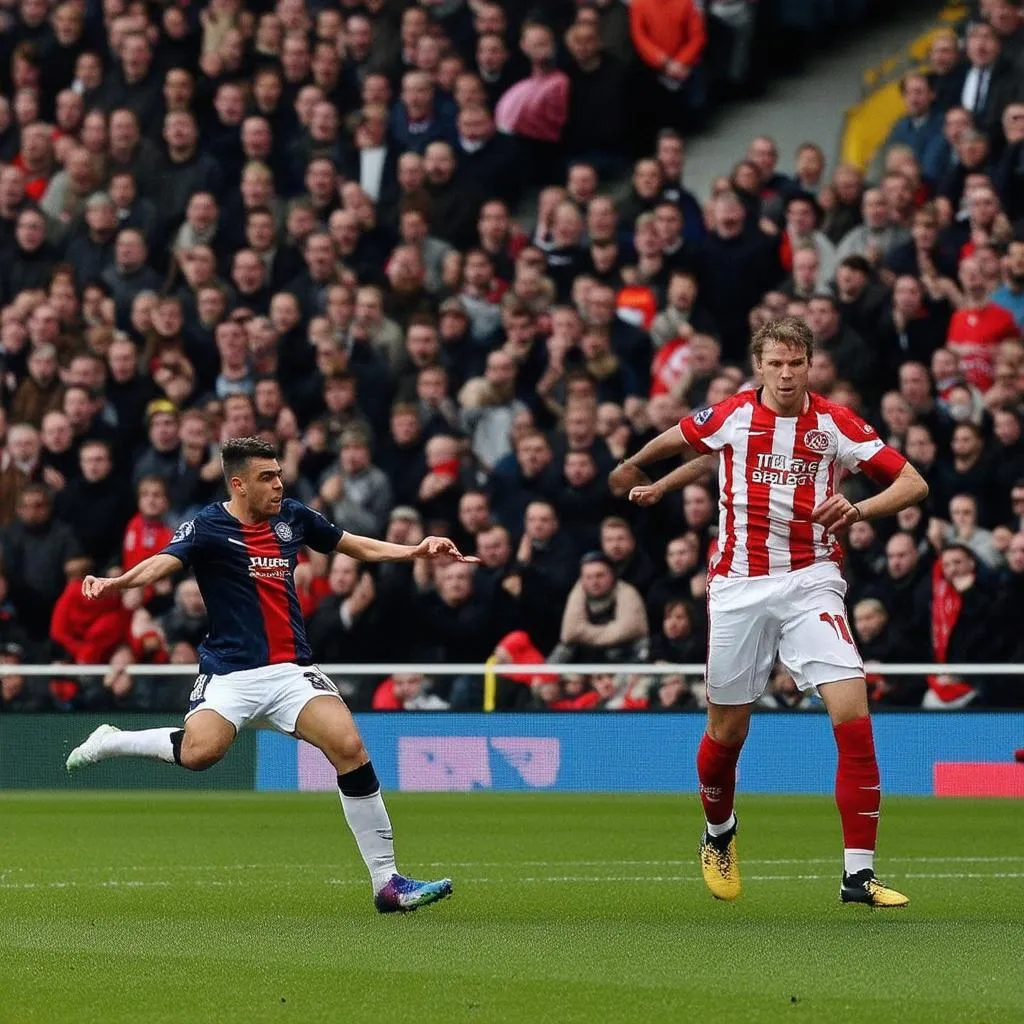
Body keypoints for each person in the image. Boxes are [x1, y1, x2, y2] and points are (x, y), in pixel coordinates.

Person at [66, 436, 477, 914]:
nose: (279, 484)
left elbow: (351, 544)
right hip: (230, 674)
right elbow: (163, 562)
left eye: (279, 474)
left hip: (290, 672)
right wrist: (116, 583)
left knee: (348, 746)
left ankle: (388, 883)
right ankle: (112, 740)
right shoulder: (206, 526)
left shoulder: (293, 518)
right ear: (238, 484)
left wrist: (415, 552)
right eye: (267, 477)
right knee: (201, 754)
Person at [610, 316, 928, 908]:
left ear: (811, 365)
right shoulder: (731, 413)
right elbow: (681, 440)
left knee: (852, 711)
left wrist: (859, 511)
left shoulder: (835, 424)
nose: (786, 374)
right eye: (776, 363)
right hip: (738, 585)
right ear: (760, 365)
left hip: (812, 581)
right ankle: (718, 833)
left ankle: (857, 876)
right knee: (727, 730)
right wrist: (636, 469)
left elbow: (913, 483)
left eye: (797, 363)